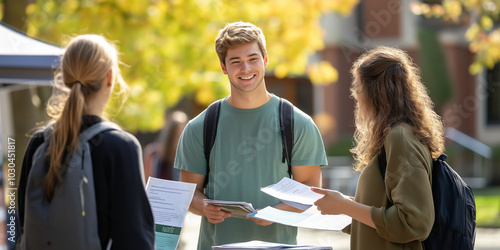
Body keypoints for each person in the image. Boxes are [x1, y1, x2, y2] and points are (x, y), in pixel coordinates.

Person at [174, 21, 328, 248]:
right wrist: (204, 206)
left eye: (252, 59)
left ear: (265, 60)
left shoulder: (298, 124)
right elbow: (188, 193)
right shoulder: (201, 126)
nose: (245, 68)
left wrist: (275, 213)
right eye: (235, 62)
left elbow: (311, 190)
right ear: (224, 67)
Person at [17, 35, 155, 249]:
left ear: (65, 78)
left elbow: (24, 225)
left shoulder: (39, 143)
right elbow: (133, 239)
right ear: (110, 77)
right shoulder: (120, 146)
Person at [312, 46, 445, 250]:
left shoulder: (399, 138)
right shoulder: (395, 136)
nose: (355, 96)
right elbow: (385, 207)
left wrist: (346, 206)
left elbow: (414, 223)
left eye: (357, 88)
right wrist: (344, 206)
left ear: (374, 92)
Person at [143, 110, 188, 181]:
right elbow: (147, 181)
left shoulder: (187, 157)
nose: (181, 138)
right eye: (177, 134)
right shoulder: (153, 153)